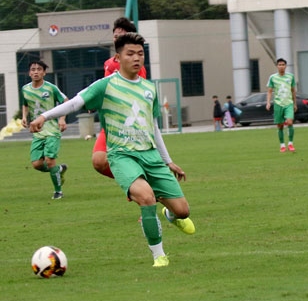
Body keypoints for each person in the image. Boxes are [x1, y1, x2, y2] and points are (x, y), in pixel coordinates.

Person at [29, 32, 195, 268]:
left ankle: (170, 215)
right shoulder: (106, 86)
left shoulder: (149, 88)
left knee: (183, 211)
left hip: (150, 156)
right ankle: (159, 255)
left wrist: (168, 160)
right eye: (130, 53)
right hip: (121, 155)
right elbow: (75, 102)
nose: (136, 58)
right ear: (118, 57)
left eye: (140, 54)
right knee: (146, 198)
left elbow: (154, 127)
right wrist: (45, 116)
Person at [93, 17, 147, 179]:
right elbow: (105, 89)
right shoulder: (108, 64)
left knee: (140, 163)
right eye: (115, 35)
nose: (117, 38)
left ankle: (147, 187)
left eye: (122, 35)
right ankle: (138, 182)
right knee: (99, 161)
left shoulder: (137, 66)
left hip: (131, 124)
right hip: (111, 122)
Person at [20, 60, 68, 199]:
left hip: (52, 129)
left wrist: (62, 119)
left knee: (49, 160)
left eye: (39, 69)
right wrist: (24, 117)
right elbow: (25, 104)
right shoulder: (25, 89)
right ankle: (58, 170)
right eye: (33, 69)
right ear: (29, 73)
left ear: (44, 72)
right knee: (36, 164)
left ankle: (58, 191)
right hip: (37, 131)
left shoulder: (51, 88)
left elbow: (66, 102)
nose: (36, 71)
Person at [267, 58, 297, 152]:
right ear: (277, 66)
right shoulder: (273, 77)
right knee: (280, 126)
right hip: (278, 104)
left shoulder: (290, 76)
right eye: (279, 65)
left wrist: (295, 103)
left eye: (283, 64)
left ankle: (290, 144)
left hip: (288, 103)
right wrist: (268, 102)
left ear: (286, 66)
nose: (281, 66)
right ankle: (282, 145)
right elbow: (269, 91)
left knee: (290, 122)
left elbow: (293, 91)